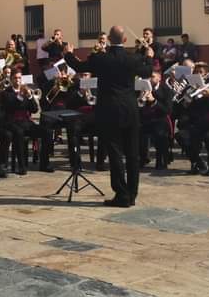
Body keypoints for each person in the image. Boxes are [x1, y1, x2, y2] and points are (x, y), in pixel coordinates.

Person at [63, 26, 153, 207]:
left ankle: (121, 195)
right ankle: (132, 195)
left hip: (109, 111)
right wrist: (149, 55)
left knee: (115, 154)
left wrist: (68, 54)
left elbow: (79, 66)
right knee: (132, 155)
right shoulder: (132, 58)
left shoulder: (100, 58)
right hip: (130, 110)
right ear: (125, 40)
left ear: (109, 39)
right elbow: (147, 71)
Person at [0, 70, 46, 175]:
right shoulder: (5, 93)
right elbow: (10, 108)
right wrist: (19, 96)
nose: (18, 80)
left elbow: (34, 110)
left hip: (26, 121)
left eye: (19, 78)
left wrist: (30, 97)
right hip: (12, 121)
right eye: (15, 78)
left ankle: (44, 163)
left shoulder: (26, 92)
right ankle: (21, 166)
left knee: (46, 132)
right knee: (19, 133)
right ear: (11, 79)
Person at [138, 70, 173, 170]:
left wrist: (154, 101)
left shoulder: (166, 90)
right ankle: (142, 158)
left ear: (159, 78)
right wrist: (141, 97)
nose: (150, 79)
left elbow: (167, 110)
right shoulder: (142, 89)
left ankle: (161, 161)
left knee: (160, 134)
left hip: (160, 119)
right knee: (137, 132)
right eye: (149, 77)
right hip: (146, 120)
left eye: (152, 76)